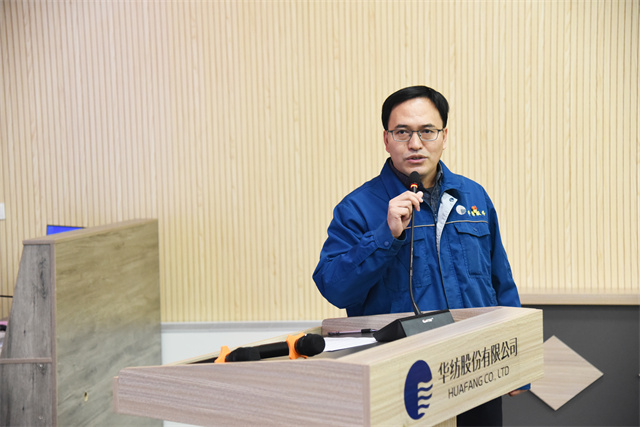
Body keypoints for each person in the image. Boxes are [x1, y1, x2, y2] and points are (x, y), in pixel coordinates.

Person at [313, 85, 527, 426]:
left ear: (444, 136)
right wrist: (386, 235)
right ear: (386, 139)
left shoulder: (474, 197)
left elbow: (500, 282)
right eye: (402, 132)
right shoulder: (358, 207)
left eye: (427, 131)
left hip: (476, 368)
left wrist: (518, 362)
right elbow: (334, 287)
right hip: (404, 380)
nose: (415, 143)